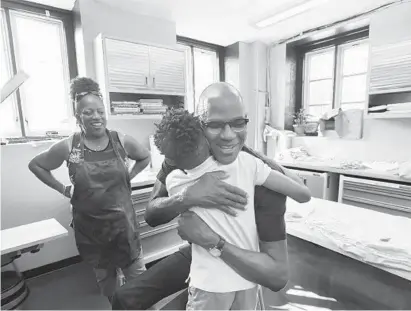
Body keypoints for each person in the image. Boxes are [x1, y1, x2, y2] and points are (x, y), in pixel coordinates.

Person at [112, 82, 307, 310]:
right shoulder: (183, 153)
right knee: (124, 299)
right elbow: (152, 214)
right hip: (198, 254)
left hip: (241, 259)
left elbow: (277, 276)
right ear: (198, 126)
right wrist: (186, 197)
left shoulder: (255, 174)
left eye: (238, 123)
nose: (228, 136)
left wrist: (213, 241)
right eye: (214, 125)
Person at [153, 108, 310, 309]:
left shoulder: (175, 182)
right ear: (204, 137)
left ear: (171, 159)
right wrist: (272, 164)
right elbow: (303, 194)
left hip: (208, 285)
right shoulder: (247, 164)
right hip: (246, 281)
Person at [28, 77, 151, 301]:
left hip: (124, 230)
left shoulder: (120, 140)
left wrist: (128, 178)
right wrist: (63, 189)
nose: (96, 117)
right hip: (93, 232)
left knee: (140, 285)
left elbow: (144, 157)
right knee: (108, 286)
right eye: (88, 112)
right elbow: (36, 165)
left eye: (100, 111)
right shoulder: (68, 146)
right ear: (78, 118)